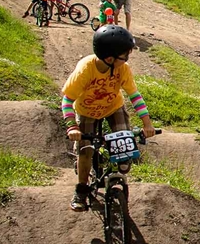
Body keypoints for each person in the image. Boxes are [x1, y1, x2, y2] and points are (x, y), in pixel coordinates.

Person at [62, 25, 154, 212]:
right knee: (85, 151)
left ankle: (118, 162)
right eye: (124, 56)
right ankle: (81, 191)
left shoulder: (123, 69)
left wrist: (147, 123)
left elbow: (134, 96)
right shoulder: (85, 70)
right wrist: (72, 127)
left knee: (125, 146)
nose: (127, 59)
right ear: (110, 59)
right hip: (87, 111)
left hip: (113, 108)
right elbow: (67, 100)